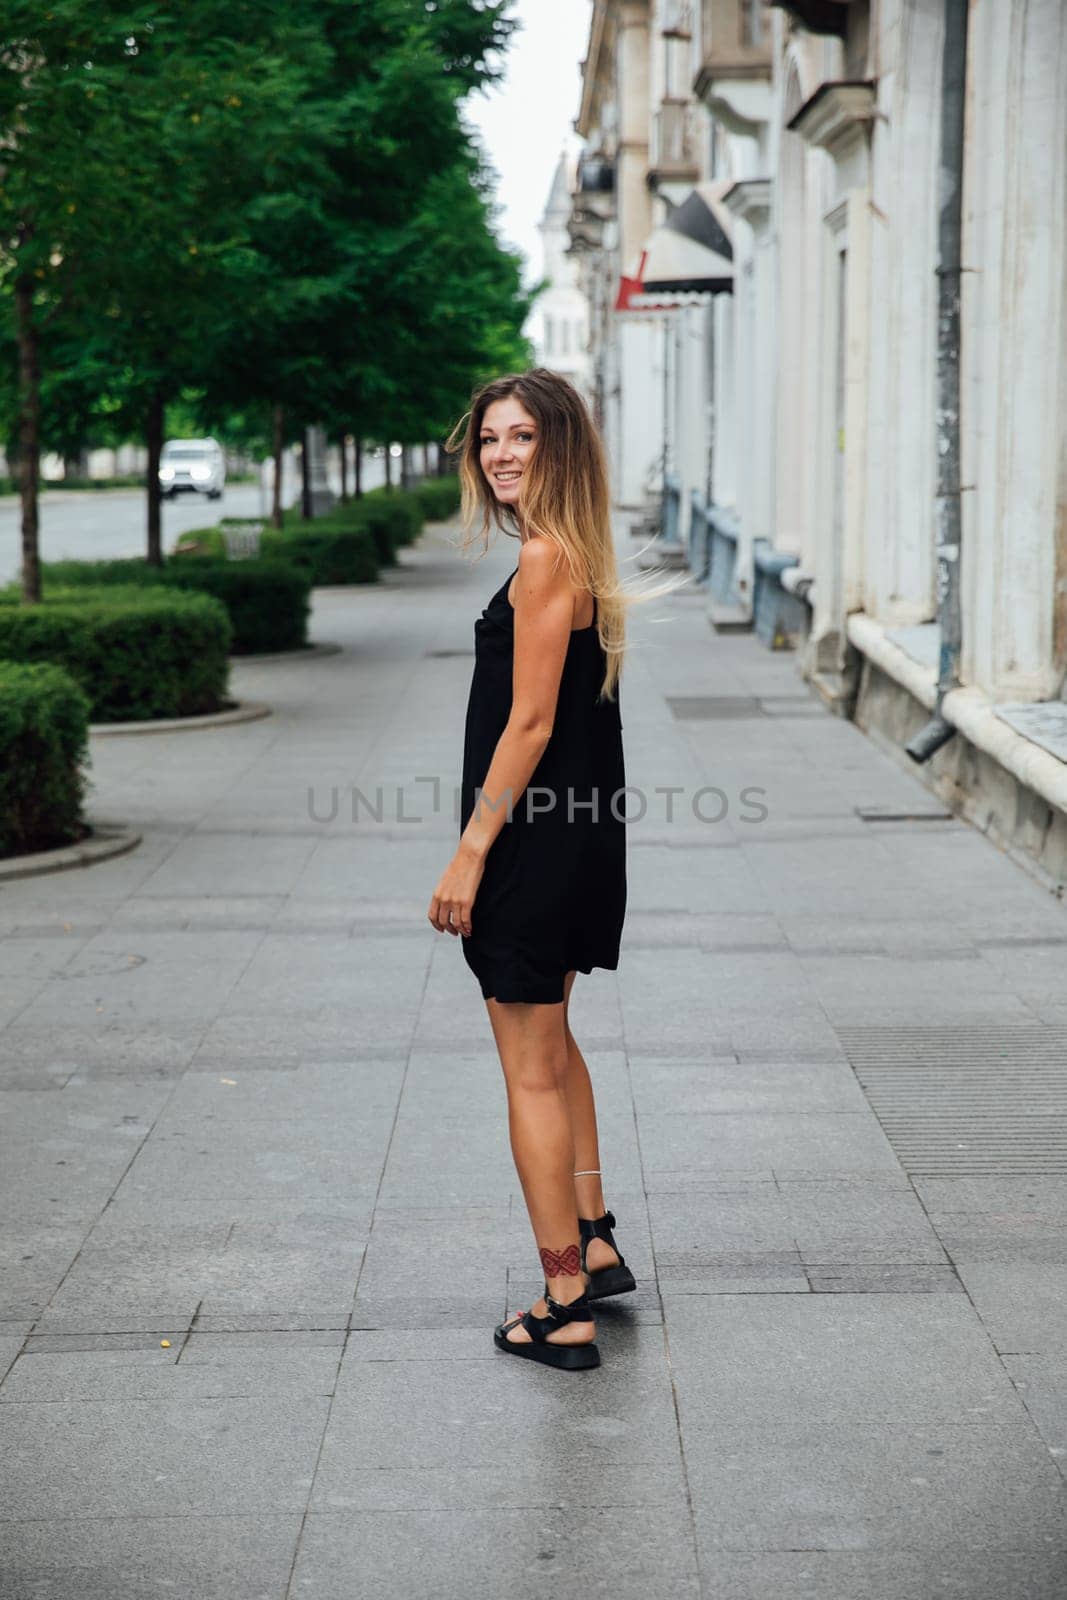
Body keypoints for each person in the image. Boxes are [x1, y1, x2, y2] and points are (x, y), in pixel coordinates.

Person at [428, 368, 681, 1371]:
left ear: (557, 448)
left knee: (527, 1068)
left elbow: (529, 724)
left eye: (519, 437)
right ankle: (597, 1236)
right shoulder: (574, 555)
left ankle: (562, 1300)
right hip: (574, 841)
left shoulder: (544, 560)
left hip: (530, 847)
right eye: (487, 438)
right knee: (554, 1040)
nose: (497, 454)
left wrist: (468, 852)